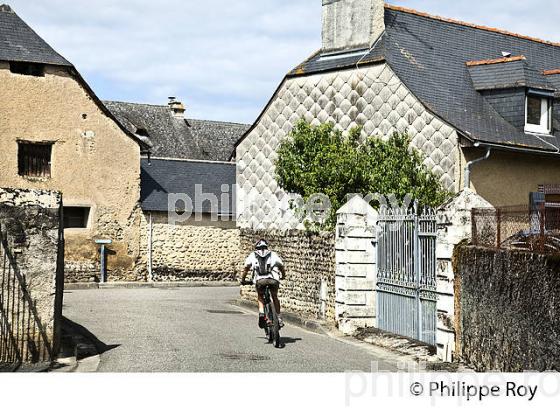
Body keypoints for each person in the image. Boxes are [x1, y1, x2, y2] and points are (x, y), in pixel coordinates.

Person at [240, 239, 285, 329]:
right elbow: (281, 266)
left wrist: (243, 280)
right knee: (274, 296)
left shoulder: (253, 255)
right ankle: (279, 317)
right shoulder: (273, 254)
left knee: (260, 296)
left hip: (260, 280)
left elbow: (246, 268)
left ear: (256, 247)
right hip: (273, 279)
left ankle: (262, 313)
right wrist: (283, 275)